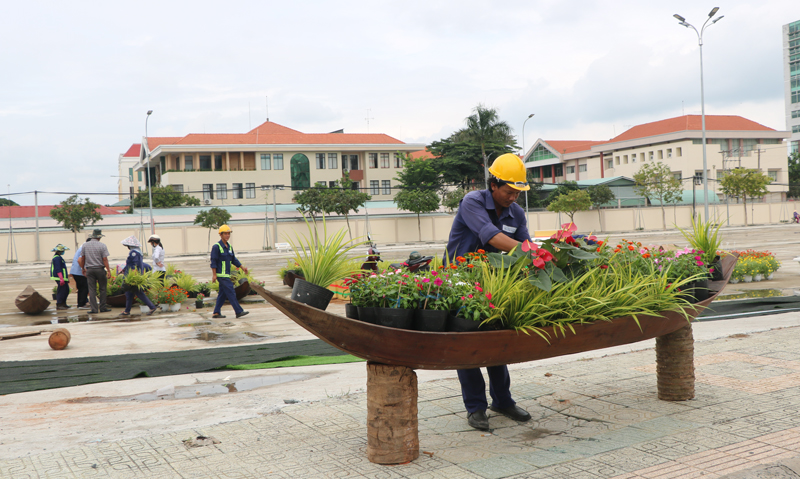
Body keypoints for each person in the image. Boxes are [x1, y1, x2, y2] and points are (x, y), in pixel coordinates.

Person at [445, 153, 533, 431]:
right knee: (468, 344)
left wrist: (545, 255)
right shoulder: (472, 201)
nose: (513, 198)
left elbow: (527, 244)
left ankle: (503, 401)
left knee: (497, 341)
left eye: (518, 193)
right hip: (462, 282)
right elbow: (492, 236)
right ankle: (475, 407)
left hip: (496, 284)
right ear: (493, 184)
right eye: (509, 191)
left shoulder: (516, 213)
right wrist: (529, 252)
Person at [210, 224, 248, 319]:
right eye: (225, 234)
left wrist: (242, 267)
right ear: (221, 235)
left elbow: (233, 259)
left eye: (228, 233)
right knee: (231, 291)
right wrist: (214, 275)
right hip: (221, 275)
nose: (227, 235)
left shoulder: (229, 247)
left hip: (226, 274)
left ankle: (216, 312)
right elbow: (213, 261)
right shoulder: (216, 247)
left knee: (222, 294)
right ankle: (238, 311)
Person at [119, 236, 158, 316]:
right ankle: (127, 310)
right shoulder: (138, 252)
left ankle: (152, 307)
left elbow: (134, 264)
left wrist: (132, 275)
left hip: (132, 277)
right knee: (129, 294)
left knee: (137, 293)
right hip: (134, 275)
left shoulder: (133, 252)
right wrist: (125, 269)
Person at [78, 229, 112, 314]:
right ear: (99, 237)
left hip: (90, 270)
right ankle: (103, 307)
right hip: (100, 269)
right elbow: (105, 259)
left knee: (92, 289)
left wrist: (83, 269)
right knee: (102, 289)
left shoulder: (85, 245)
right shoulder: (102, 245)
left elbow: (82, 258)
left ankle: (94, 309)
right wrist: (108, 270)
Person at [69, 238, 91, 310]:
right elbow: (79, 260)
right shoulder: (84, 248)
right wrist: (83, 269)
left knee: (82, 287)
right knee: (84, 287)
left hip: (76, 272)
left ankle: (83, 302)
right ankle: (81, 304)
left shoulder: (82, 247)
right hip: (79, 272)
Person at [50, 244, 71, 310]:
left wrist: (66, 278)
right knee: (61, 291)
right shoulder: (57, 258)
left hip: (62, 277)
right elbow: (58, 269)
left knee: (66, 290)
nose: (63, 252)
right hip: (59, 277)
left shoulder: (58, 257)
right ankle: (59, 304)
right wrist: (61, 279)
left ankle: (63, 304)